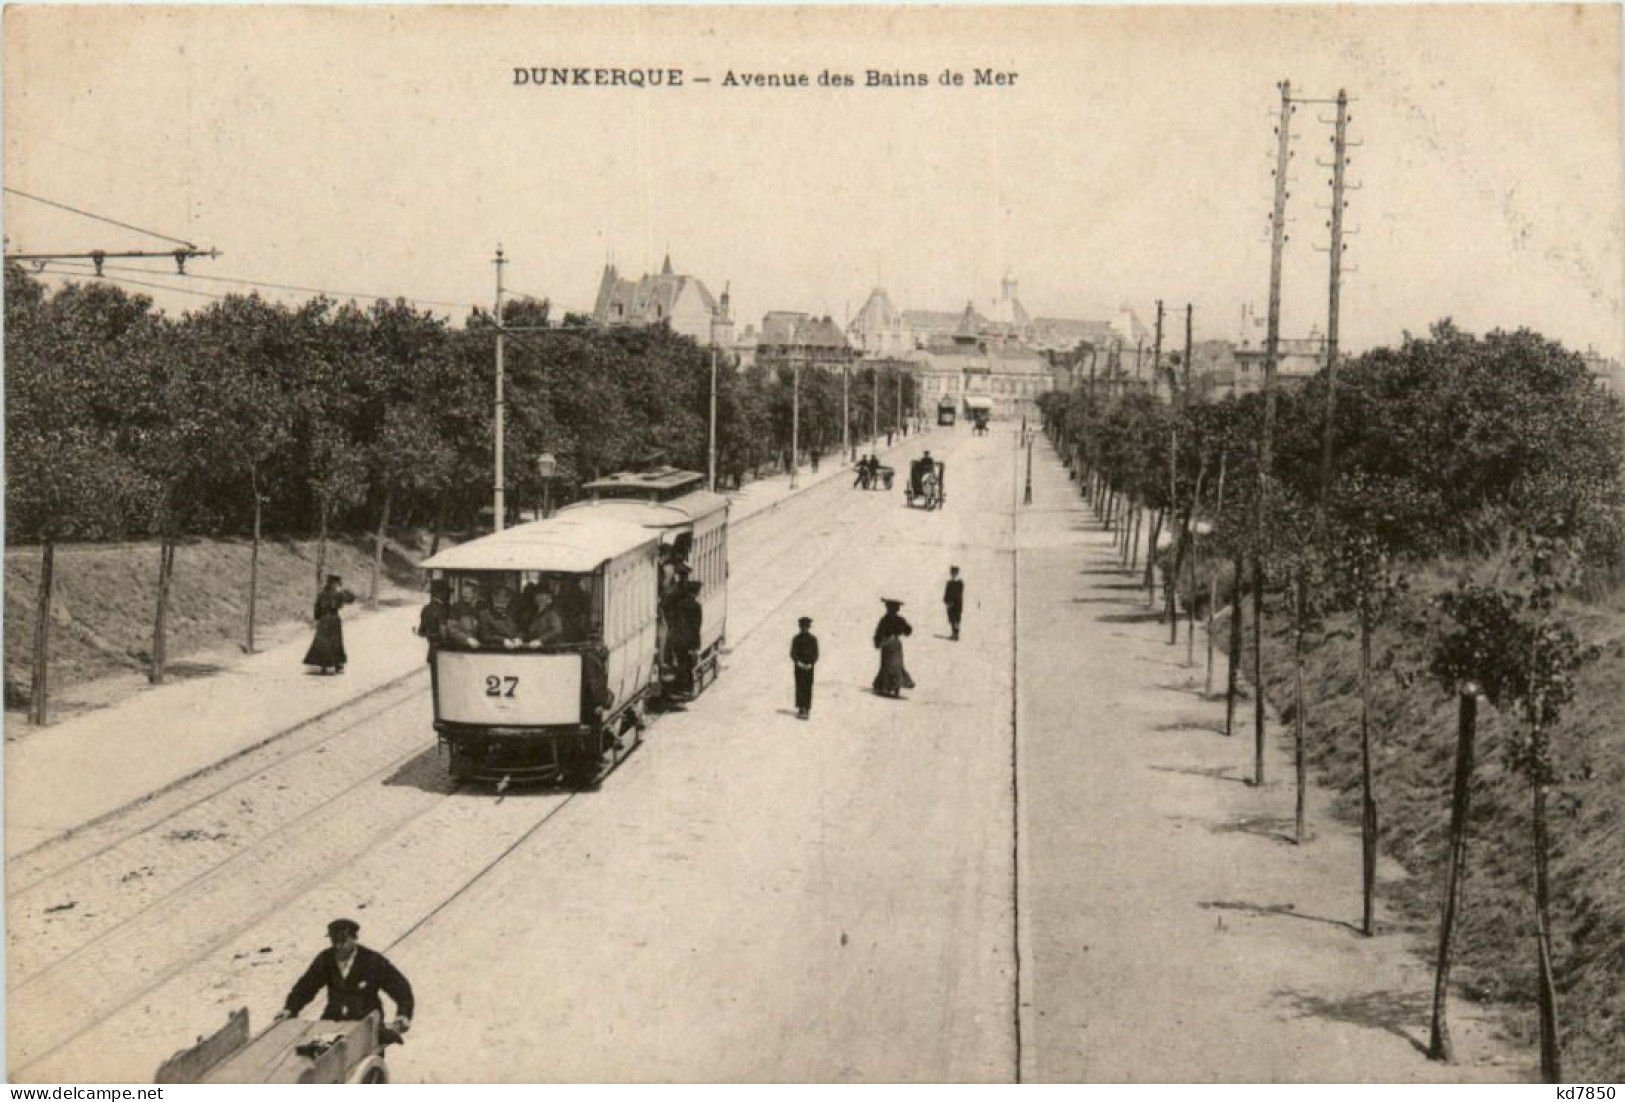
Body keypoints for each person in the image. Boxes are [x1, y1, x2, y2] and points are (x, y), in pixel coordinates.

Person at [275, 918, 413, 1041]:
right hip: (333, 1021)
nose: (338, 947)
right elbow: (306, 986)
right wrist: (290, 1008)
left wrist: (403, 1015)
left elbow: (401, 989)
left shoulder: (371, 961)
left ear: (354, 938)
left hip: (365, 1024)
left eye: (343, 941)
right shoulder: (326, 959)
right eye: (334, 942)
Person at [303, 575, 355, 675]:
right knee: (336, 642)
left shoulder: (322, 594)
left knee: (322, 642)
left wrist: (317, 618)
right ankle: (338, 664)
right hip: (334, 620)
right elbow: (351, 599)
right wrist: (344, 591)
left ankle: (324, 665)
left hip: (323, 620)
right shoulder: (338, 594)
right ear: (335, 584)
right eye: (337, 584)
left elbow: (317, 608)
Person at [872, 598, 915, 698]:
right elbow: (908, 631)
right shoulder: (899, 619)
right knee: (896, 665)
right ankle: (895, 688)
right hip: (896, 643)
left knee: (887, 665)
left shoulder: (884, 619)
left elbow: (879, 632)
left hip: (886, 643)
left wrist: (877, 642)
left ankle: (885, 687)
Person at [790, 616, 819, 719]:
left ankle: (806, 708)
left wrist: (811, 663)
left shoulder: (813, 639)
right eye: (802, 627)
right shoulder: (796, 639)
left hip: (809, 667)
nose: (804, 629)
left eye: (806, 627)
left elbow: (816, 654)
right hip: (799, 667)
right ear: (800, 627)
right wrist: (798, 662)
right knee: (799, 687)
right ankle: (801, 708)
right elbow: (793, 653)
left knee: (807, 687)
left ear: (809, 627)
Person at [416, 580, 450, 662]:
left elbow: (421, 631)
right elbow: (443, 631)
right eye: (446, 592)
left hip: (431, 650)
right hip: (443, 651)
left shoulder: (426, 609)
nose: (448, 595)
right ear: (441, 593)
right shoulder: (444, 609)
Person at [944, 566, 964, 641]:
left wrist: (953, 602)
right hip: (950, 605)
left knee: (957, 620)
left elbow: (958, 594)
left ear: (957, 573)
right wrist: (946, 601)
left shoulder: (960, 583)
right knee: (952, 619)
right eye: (952, 573)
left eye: (955, 573)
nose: (953, 575)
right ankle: (953, 633)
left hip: (957, 604)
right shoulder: (949, 582)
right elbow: (946, 593)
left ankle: (956, 634)